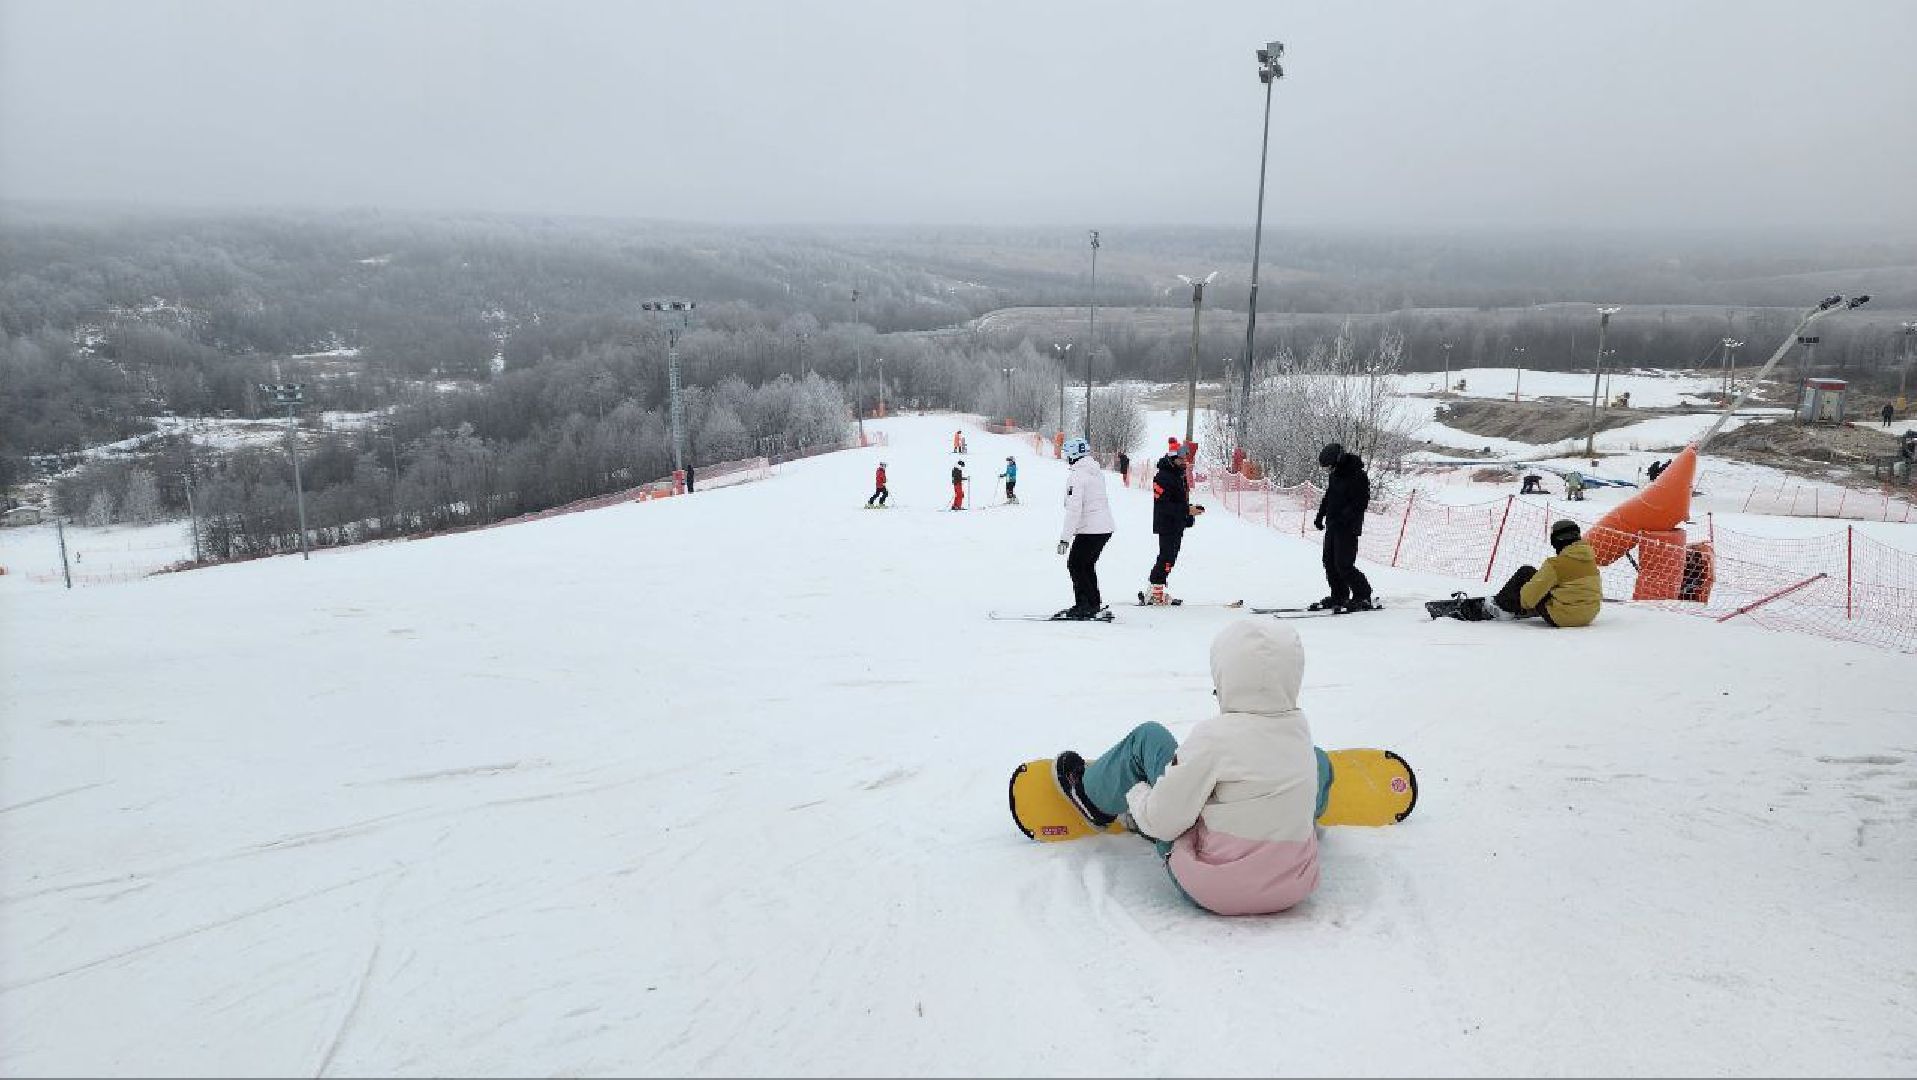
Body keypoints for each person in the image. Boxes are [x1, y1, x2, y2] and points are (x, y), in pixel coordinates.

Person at [1054, 621, 1329, 916]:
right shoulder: (1299, 730)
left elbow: (1162, 823)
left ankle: (1092, 797)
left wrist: (1139, 794)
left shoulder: (1214, 737)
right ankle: (1293, 816)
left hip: (1217, 888)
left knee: (1148, 737)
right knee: (1318, 760)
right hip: (1292, 886)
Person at [1492, 518, 1602, 626]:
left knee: (1526, 572)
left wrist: (1525, 602)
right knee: (1547, 584)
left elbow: (1527, 598)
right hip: (1588, 616)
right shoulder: (1590, 562)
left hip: (1562, 617)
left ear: (1556, 541)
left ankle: (1500, 607)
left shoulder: (1555, 565)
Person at [1310, 442, 1373, 613]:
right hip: (1333, 524)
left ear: (1338, 460)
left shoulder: (1358, 476)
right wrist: (1320, 515)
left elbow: (1361, 502)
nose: (1328, 470)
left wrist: (1343, 518)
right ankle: (1339, 595)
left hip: (1348, 527)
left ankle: (1363, 595)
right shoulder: (1336, 475)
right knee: (1329, 562)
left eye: (1330, 466)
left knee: (1343, 564)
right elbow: (1329, 496)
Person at [1056, 437, 1114, 619]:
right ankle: (1092, 603)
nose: (1066, 457)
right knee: (1086, 565)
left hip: (1091, 528)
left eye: (1067, 454)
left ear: (1074, 455)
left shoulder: (1077, 476)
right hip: (1104, 527)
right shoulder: (1095, 472)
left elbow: (1074, 510)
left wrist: (1065, 538)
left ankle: (1085, 606)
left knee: (1075, 564)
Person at [1145, 441, 1203, 604]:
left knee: (1170, 557)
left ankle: (1156, 590)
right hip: (1167, 523)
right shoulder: (1163, 476)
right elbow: (1163, 505)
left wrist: (1189, 511)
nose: (1184, 462)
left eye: (1186, 459)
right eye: (1181, 459)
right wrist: (1186, 510)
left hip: (1177, 522)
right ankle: (1156, 592)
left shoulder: (1179, 474)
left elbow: (1179, 500)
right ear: (1172, 459)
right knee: (1167, 557)